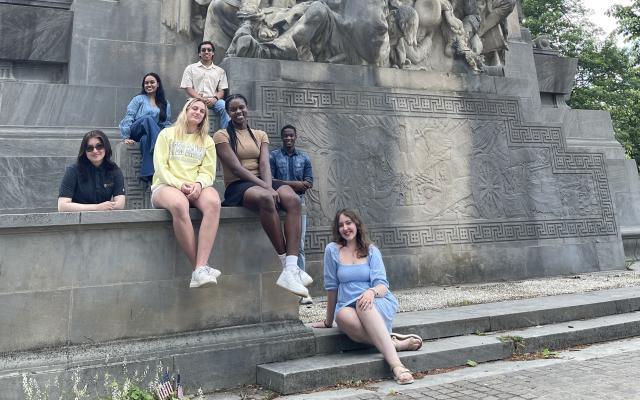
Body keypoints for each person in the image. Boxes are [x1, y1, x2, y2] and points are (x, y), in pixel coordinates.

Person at [213, 94, 312, 298]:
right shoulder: (221, 135)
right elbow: (236, 168)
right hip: (239, 185)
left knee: (293, 199)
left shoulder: (260, 134)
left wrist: (268, 185)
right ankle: (286, 264)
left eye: (242, 108)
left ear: (247, 108)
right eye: (233, 109)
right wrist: (266, 190)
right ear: (228, 113)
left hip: (263, 181)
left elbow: (265, 164)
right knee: (268, 199)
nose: (238, 112)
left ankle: (292, 268)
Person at [311, 209, 423, 385]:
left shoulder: (371, 251)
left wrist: (371, 292)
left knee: (363, 305)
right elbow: (332, 287)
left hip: (375, 301)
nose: (345, 228)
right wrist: (327, 321)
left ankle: (397, 366)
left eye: (348, 223)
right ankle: (394, 344)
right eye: (341, 225)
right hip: (347, 305)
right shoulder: (332, 250)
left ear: (356, 224)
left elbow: (382, 285)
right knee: (341, 316)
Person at [151, 98, 222, 289]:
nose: (198, 112)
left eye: (202, 111)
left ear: (204, 118)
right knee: (179, 204)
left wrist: (199, 184)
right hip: (165, 186)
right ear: (186, 109)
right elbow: (160, 167)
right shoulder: (167, 134)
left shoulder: (206, 141)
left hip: (195, 187)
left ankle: (200, 268)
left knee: (214, 202)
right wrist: (180, 185)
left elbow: (208, 171)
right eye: (195, 108)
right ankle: (199, 268)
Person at [269, 124, 314, 305]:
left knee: (299, 245)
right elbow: (270, 180)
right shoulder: (273, 156)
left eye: (291, 136)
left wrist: (286, 184)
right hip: (278, 203)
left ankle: (302, 291)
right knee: (282, 244)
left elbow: (309, 182)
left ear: (295, 137)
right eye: (285, 136)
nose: (288, 138)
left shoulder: (304, 158)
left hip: (299, 204)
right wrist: (295, 184)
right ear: (282, 137)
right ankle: (289, 282)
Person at [119, 72, 172, 180]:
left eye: (152, 82)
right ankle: (159, 147)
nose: (149, 85)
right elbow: (129, 116)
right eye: (146, 83)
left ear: (158, 84)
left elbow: (165, 123)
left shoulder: (165, 103)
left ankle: (147, 173)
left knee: (145, 139)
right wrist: (126, 137)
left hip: (150, 134)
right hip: (136, 130)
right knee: (148, 119)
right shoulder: (138, 99)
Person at [58, 130, 126, 212]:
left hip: (105, 220)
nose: (95, 151)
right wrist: (97, 207)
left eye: (99, 146)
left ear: (106, 147)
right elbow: (62, 206)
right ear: (85, 151)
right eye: (90, 148)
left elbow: (120, 204)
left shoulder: (114, 170)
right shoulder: (73, 171)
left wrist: (104, 207)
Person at [180, 41, 231, 129]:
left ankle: (225, 134)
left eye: (209, 50)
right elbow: (188, 88)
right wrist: (201, 98)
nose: (206, 52)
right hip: (195, 99)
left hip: (214, 101)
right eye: (203, 50)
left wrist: (215, 99)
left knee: (224, 106)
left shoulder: (220, 71)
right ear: (199, 53)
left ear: (213, 53)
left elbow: (222, 90)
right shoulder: (191, 68)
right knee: (190, 109)